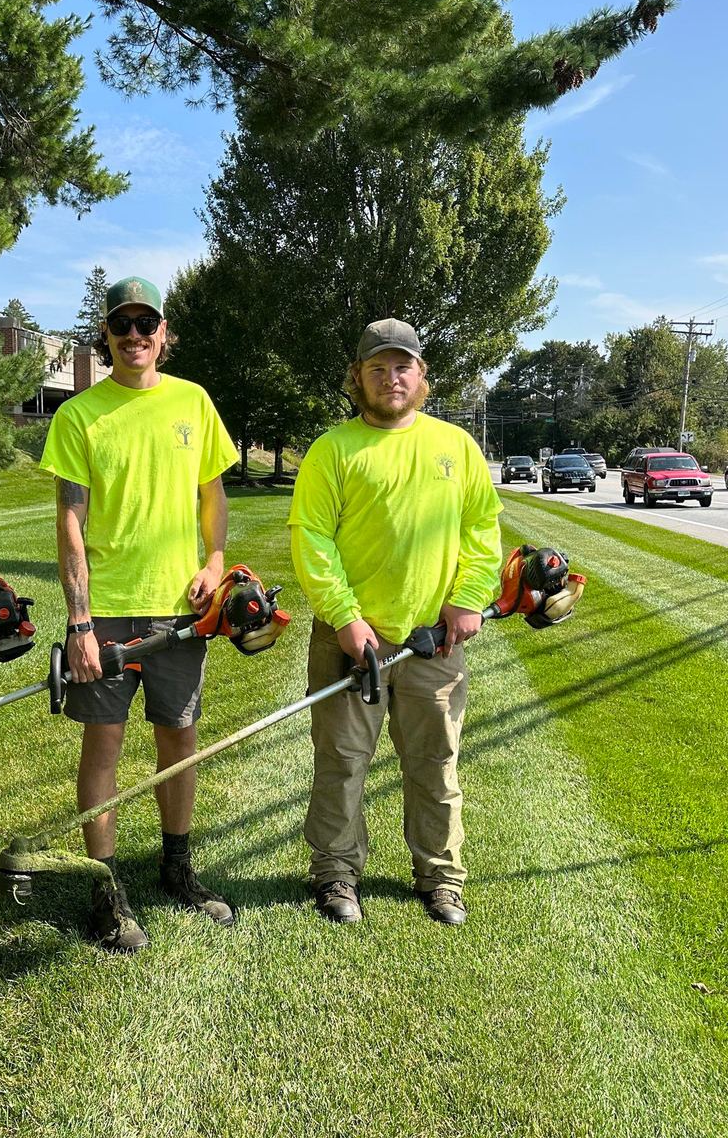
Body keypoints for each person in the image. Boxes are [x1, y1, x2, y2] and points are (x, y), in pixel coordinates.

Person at [39, 275, 239, 952]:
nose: (133, 337)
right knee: (105, 746)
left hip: (179, 612)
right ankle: (106, 888)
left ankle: (177, 868)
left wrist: (214, 561)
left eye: (145, 325)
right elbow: (70, 520)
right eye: (120, 326)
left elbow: (213, 496)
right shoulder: (79, 416)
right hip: (109, 614)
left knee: (177, 740)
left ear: (163, 334)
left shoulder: (194, 402)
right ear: (106, 336)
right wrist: (79, 621)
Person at [287, 319, 502, 927]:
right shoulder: (333, 450)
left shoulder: (455, 447)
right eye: (377, 369)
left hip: (432, 642)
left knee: (435, 764)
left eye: (402, 366)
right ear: (358, 379)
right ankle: (334, 873)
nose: (391, 378)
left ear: (422, 375)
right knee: (342, 762)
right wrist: (346, 619)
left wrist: (468, 599)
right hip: (348, 641)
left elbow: (481, 533)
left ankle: (440, 878)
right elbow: (313, 541)